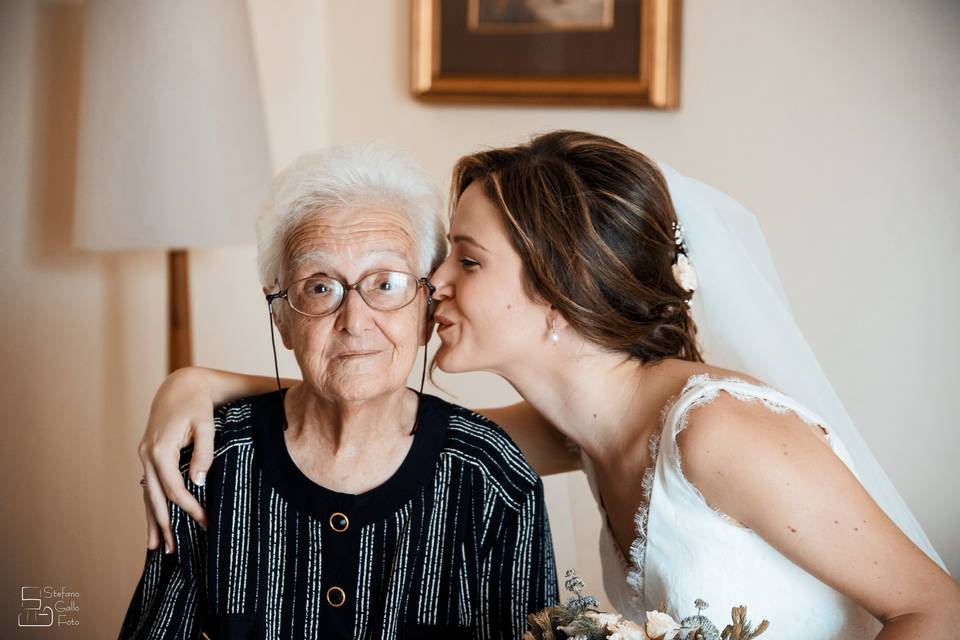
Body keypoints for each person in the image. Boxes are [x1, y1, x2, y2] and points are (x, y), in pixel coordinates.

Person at [140, 132, 960, 638]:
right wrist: (197, 380)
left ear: (557, 294)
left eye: (464, 260)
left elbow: (939, 611)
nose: (434, 287)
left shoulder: (719, 436)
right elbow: (370, 400)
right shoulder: (578, 429)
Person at [120, 144, 558, 639]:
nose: (354, 322)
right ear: (281, 320)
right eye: (320, 286)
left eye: (386, 284)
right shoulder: (208, 463)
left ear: (426, 314)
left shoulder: (491, 475)